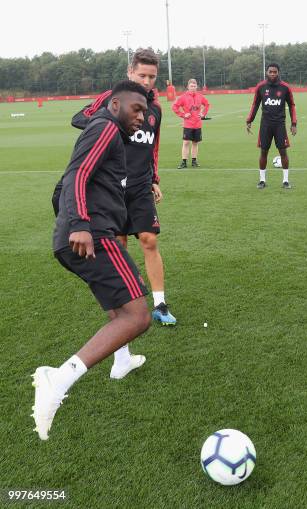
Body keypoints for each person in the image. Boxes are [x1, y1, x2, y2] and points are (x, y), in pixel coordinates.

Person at [33, 81, 151, 441]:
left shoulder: (108, 129)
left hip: (83, 235)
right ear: (115, 103)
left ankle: (122, 360)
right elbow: (77, 175)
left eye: (145, 113)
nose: (142, 118)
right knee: (138, 315)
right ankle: (58, 378)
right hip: (91, 235)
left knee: (120, 310)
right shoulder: (105, 127)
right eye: (136, 109)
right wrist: (81, 224)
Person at [67, 49, 177, 328]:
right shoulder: (113, 98)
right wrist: (110, 126)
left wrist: (154, 179)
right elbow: (80, 117)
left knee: (149, 240)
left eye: (152, 76)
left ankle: (160, 304)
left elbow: (153, 146)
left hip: (141, 185)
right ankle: (129, 299)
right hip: (113, 187)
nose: (147, 81)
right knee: (120, 244)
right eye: (142, 75)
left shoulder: (157, 108)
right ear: (130, 73)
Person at [246, 63, 297, 189]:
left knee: (283, 152)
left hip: (280, 125)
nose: (273, 74)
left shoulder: (285, 87)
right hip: (266, 125)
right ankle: (262, 180)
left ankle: (285, 181)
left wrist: (294, 123)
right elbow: (255, 105)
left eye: (275, 72)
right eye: (270, 72)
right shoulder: (261, 87)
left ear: (278, 72)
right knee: (263, 152)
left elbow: (291, 105)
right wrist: (249, 120)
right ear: (266, 72)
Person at [172, 78, 210, 168]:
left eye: (194, 86)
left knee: (195, 143)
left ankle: (194, 161)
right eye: (191, 86)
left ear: (196, 87)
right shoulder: (183, 97)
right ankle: (184, 162)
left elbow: (207, 104)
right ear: (188, 87)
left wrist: (203, 114)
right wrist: (183, 114)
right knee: (185, 143)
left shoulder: (200, 96)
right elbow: (174, 107)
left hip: (197, 124)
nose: (193, 88)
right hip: (188, 124)